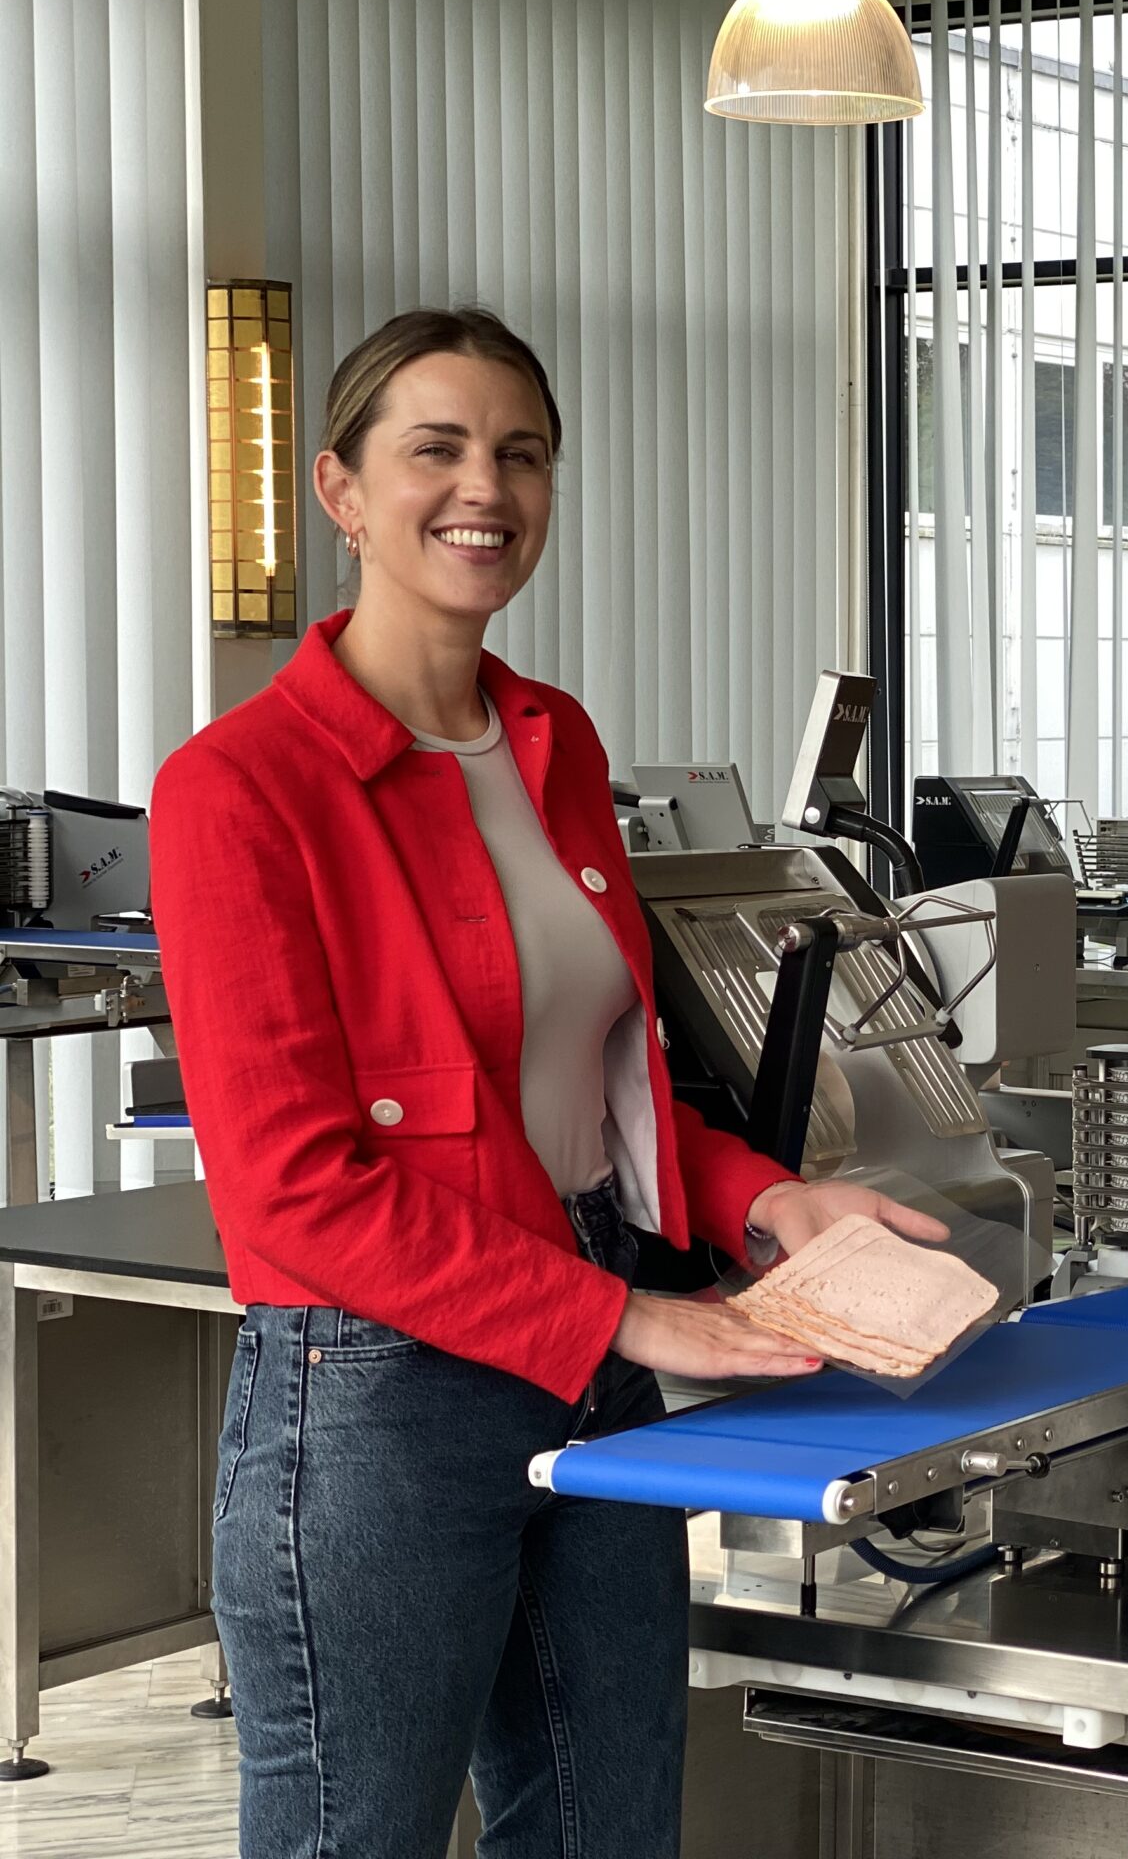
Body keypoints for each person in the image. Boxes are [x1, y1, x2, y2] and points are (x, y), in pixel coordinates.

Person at [153, 307, 945, 1859]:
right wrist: (633, 1317)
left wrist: (766, 1194)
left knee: (604, 1827)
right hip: (377, 1391)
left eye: (520, 453)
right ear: (340, 489)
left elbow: (610, 1088)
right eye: (434, 450)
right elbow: (292, 1187)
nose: (484, 489)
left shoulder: (553, 742)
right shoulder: (238, 789)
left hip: (594, 1338)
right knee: (352, 1839)